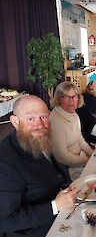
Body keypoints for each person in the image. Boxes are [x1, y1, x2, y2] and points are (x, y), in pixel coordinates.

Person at [0, 95, 76, 237]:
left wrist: (73, 187)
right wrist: (55, 206)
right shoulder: (5, 162)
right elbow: (5, 220)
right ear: (15, 121)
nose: (40, 125)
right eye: (31, 119)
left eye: (43, 117)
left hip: (63, 215)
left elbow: (53, 173)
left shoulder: (37, 138)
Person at [50, 81, 94, 180]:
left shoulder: (73, 114)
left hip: (79, 160)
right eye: (66, 96)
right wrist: (87, 161)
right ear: (58, 99)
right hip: (68, 169)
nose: (72, 100)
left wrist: (93, 156)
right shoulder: (56, 120)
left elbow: (80, 140)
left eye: (75, 96)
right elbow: (62, 157)